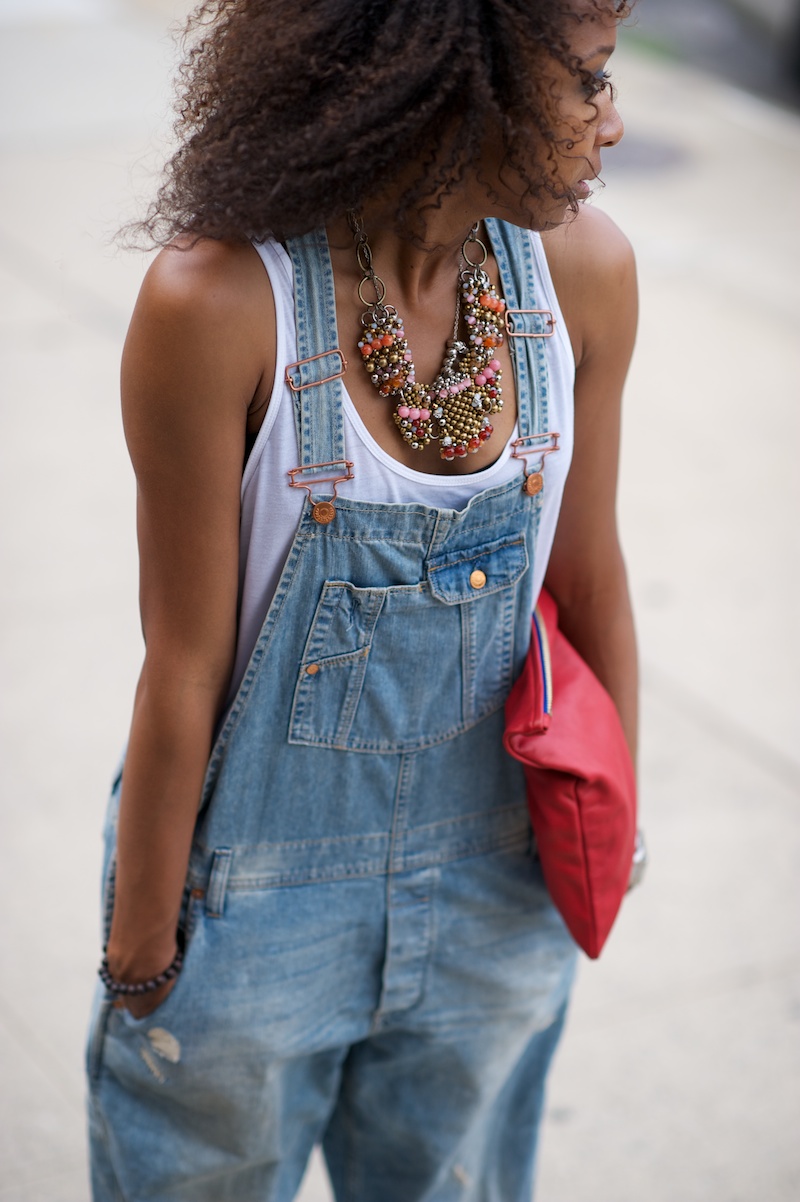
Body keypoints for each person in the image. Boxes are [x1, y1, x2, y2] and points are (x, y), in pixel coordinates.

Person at [85, 0, 638, 1198]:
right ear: (465, 80)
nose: (614, 122)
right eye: (589, 81)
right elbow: (181, 661)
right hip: (247, 907)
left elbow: (589, 574)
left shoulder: (582, 278)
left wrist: (596, 848)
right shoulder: (219, 306)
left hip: (495, 888)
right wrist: (140, 949)